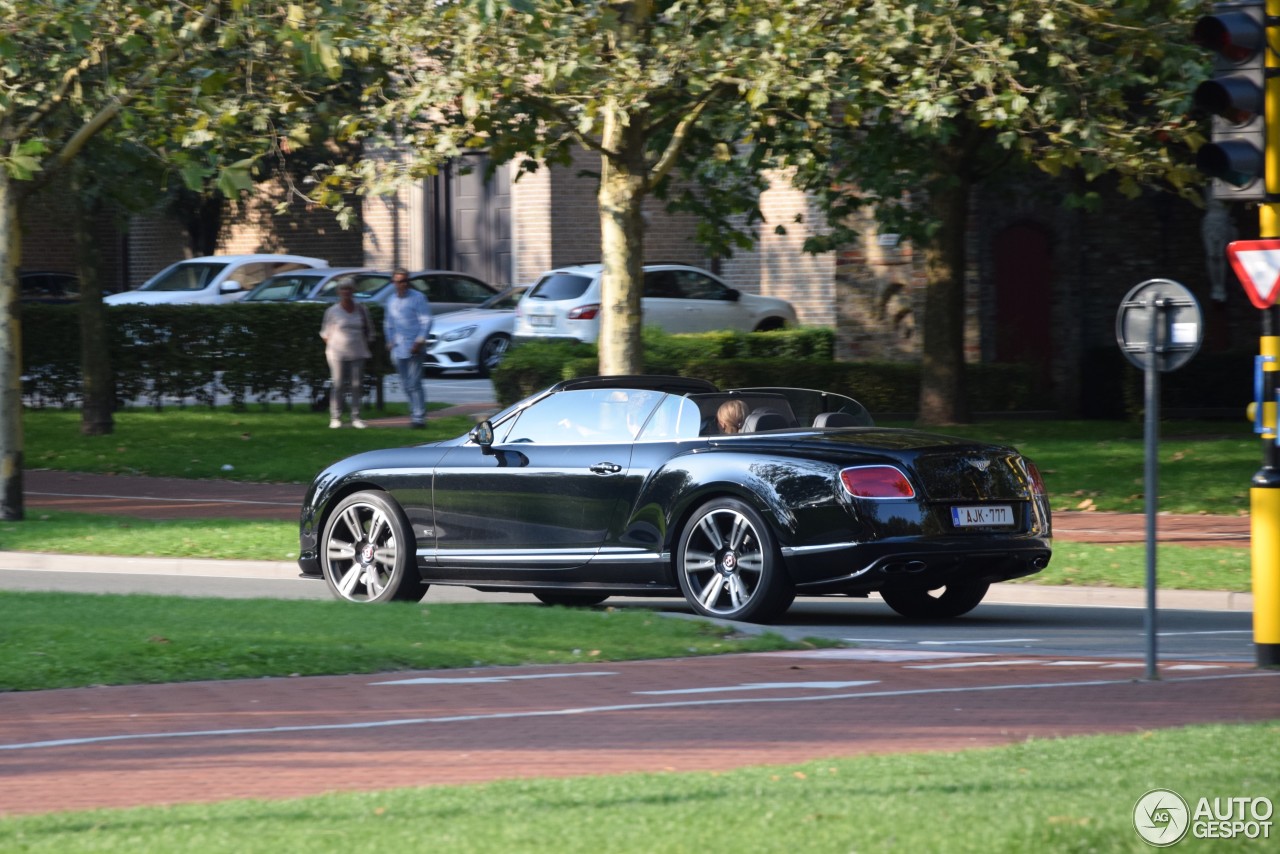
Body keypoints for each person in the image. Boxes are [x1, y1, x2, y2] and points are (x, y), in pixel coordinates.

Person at [319, 282, 374, 429]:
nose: (346, 292)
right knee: (338, 384)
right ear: (339, 292)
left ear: (353, 291)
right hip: (336, 353)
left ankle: (356, 417)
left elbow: (370, 330)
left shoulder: (362, 310)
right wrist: (335, 345)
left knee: (356, 385)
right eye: (343, 289)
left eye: (349, 289)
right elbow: (325, 333)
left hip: (358, 351)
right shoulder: (332, 311)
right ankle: (335, 417)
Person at [383, 267, 433, 428]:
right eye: (397, 281)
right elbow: (389, 323)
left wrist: (419, 341)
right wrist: (390, 341)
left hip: (414, 347)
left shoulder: (418, 298)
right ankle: (414, 412)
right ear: (393, 282)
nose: (401, 284)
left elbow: (426, 321)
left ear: (408, 282)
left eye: (404, 281)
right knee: (405, 384)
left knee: (415, 383)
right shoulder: (391, 300)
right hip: (398, 347)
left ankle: (419, 417)